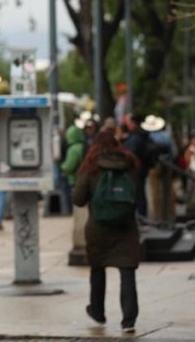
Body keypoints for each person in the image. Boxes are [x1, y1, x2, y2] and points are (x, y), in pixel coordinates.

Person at [72, 130, 141, 334]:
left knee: (97, 268)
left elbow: (78, 199)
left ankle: (97, 311)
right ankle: (129, 319)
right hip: (126, 226)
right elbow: (138, 195)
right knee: (127, 271)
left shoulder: (91, 167)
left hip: (98, 228)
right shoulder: (130, 165)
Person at [59, 117, 88, 217]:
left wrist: (62, 167)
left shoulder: (73, 149)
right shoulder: (83, 146)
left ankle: (67, 212)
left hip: (74, 179)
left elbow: (69, 166)